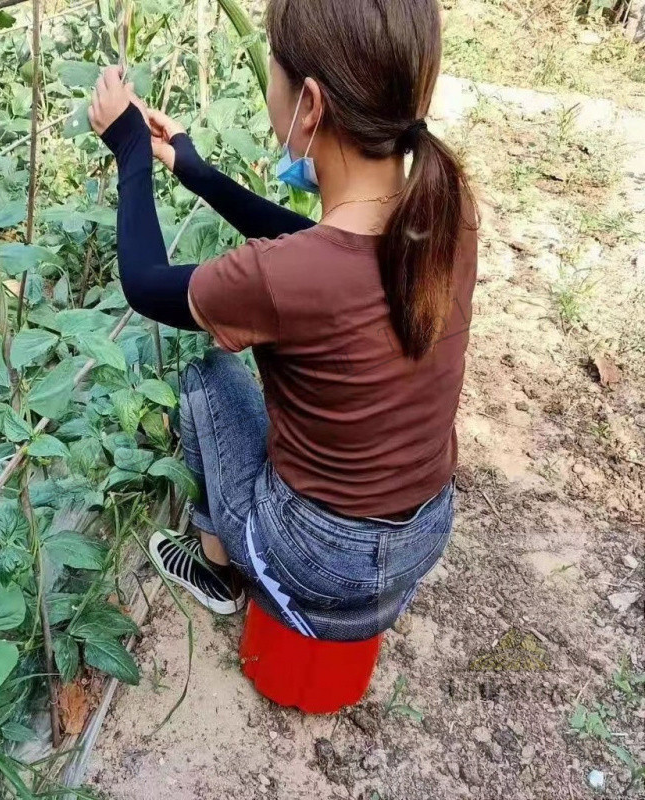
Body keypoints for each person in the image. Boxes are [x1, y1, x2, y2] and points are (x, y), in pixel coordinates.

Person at [87, 0, 477, 640]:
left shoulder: (288, 275)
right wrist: (194, 168)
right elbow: (316, 248)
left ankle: (220, 573)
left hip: (318, 560)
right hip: (421, 538)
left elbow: (145, 286)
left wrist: (128, 146)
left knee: (207, 378)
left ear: (311, 104)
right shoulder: (449, 214)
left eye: (273, 73)